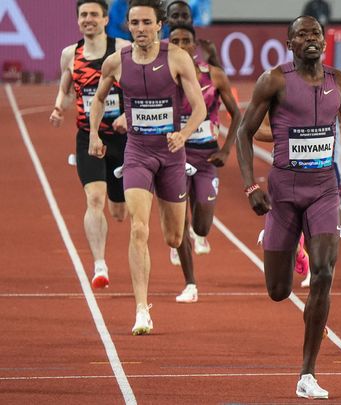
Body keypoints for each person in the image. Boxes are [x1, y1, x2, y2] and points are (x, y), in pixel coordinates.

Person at [234, 16, 341, 399]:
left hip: (323, 190)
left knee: (323, 274)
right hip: (283, 191)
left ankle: (307, 373)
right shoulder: (274, 81)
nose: (311, 39)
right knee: (279, 291)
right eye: (302, 35)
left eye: (315, 33)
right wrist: (251, 185)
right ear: (290, 43)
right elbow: (243, 133)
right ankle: (285, 242)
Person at [88, 0, 206, 335]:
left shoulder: (177, 58)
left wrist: (183, 134)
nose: (140, 29)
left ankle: (174, 236)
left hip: (171, 155)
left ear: (159, 25)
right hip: (137, 153)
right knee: (139, 229)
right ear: (128, 26)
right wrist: (95, 133)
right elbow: (98, 98)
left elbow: (198, 107)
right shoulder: (117, 62)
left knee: (173, 237)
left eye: (146, 23)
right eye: (135, 23)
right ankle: (142, 309)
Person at [50, 0, 131, 290]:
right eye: (83, 15)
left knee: (119, 211)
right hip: (88, 136)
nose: (88, 19)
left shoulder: (122, 49)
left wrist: (126, 114)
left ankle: (117, 196)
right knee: (94, 199)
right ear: (77, 20)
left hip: (122, 139)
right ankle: (99, 264)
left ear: (106, 19)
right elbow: (66, 90)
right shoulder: (70, 54)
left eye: (94, 14)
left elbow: (138, 88)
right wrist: (59, 108)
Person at [167, 23, 240, 303]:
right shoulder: (162, 77)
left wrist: (226, 149)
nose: (182, 44)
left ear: (194, 46)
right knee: (178, 221)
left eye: (187, 40)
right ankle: (190, 283)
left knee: (202, 225)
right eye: (176, 40)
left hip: (206, 155)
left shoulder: (215, 76)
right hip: (174, 156)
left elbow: (237, 116)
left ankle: (195, 234)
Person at [164, 1, 221, 67]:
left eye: (185, 16)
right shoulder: (158, 49)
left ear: (191, 20)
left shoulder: (206, 48)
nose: (180, 20)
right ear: (167, 21)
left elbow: (220, 75)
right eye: (175, 16)